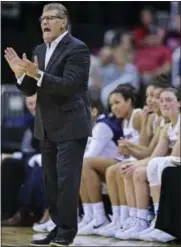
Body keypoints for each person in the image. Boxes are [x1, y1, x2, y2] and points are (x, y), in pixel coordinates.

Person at [4, 3, 91, 246]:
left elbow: (71, 85)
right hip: (47, 125)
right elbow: (31, 88)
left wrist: (38, 74)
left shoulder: (78, 49)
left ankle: (67, 232)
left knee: (66, 181)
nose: (44, 22)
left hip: (72, 125)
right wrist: (20, 74)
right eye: (42, 18)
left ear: (63, 22)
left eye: (51, 18)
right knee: (51, 182)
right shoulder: (39, 50)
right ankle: (57, 227)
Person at [78, 85, 144, 235]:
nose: (113, 108)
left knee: (86, 164)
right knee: (103, 169)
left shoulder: (138, 115)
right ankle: (107, 218)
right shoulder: (124, 121)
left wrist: (130, 149)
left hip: (136, 161)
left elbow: (146, 144)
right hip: (125, 160)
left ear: (129, 101)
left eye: (117, 102)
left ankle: (103, 216)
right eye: (111, 104)